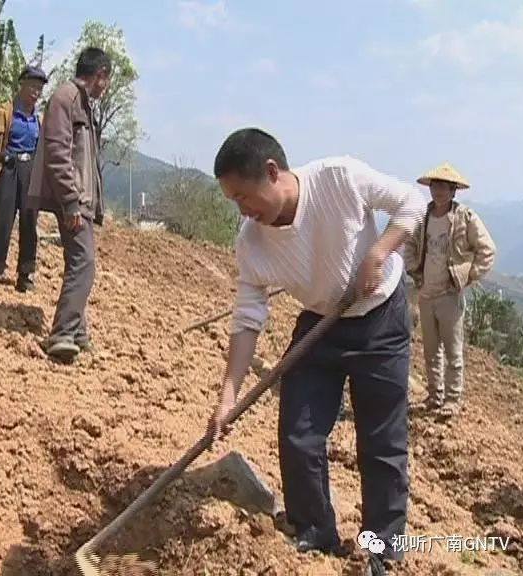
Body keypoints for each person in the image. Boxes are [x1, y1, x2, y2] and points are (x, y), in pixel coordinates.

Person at [207, 128, 427, 573]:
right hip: (320, 323)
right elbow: (248, 317)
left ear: (272, 172)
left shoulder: (339, 178)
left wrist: (378, 252)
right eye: (233, 202)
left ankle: (383, 549)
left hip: (379, 317)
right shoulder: (250, 241)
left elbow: (413, 202)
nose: (243, 211)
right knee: (298, 433)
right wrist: (229, 394)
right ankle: (315, 529)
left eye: (244, 197)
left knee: (381, 443)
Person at [27, 47, 111, 362]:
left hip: (80, 199)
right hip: (73, 200)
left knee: (79, 262)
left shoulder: (81, 103)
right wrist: (71, 202)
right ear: (100, 74)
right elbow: (58, 153)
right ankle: (63, 333)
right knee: (84, 263)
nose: (105, 86)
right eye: (105, 79)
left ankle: (77, 332)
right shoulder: (67, 98)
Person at [404, 162, 495, 417]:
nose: (438, 191)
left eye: (444, 186)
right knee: (431, 351)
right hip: (426, 293)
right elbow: (409, 245)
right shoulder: (423, 217)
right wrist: (414, 270)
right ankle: (434, 396)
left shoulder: (465, 218)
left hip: (449, 294)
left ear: (453, 190)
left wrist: (467, 277)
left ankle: (452, 400)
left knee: (453, 351)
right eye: (435, 185)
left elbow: (487, 250)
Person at [0, 65, 47, 293]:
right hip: (9, 167)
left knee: (29, 222)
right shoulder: (5, 113)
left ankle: (25, 274)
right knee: (3, 219)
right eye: (32, 86)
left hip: (29, 170)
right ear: (21, 85)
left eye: (39, 88)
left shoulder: (38, 120)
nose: (35, 92)